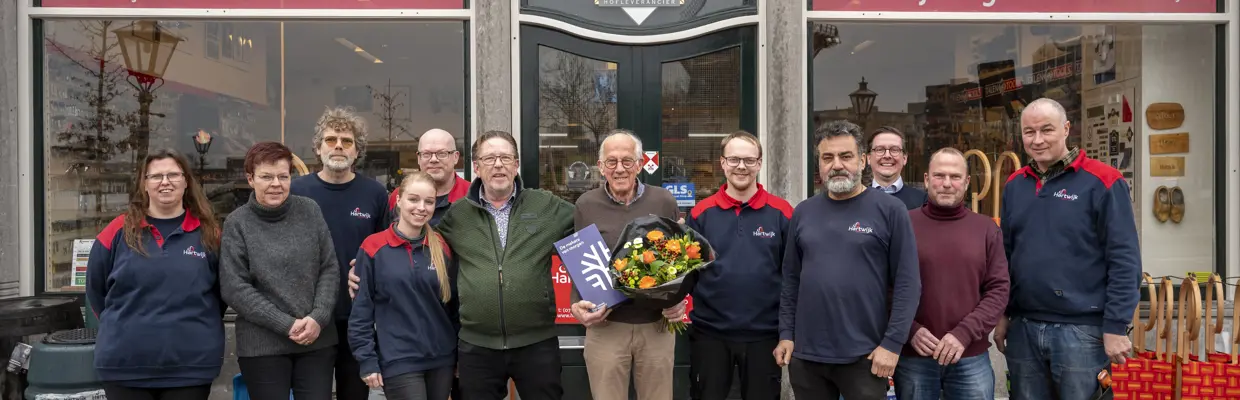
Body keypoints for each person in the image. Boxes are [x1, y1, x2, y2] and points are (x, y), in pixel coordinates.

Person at [351, 130, 574, 400]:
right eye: (489, 158)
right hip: (477, 347)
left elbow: (589, 230)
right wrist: (365, 270)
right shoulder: (457, 216)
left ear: (516, 164)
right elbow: (412, 245)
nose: (498, 164)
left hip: (536, 343)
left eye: (505, 157)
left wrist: (623, 270)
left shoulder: (546, 206)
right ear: (476, 167)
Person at [995, 97, 1140, 399]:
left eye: (1046, 130)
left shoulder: (1103, 182)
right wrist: (1003, 313)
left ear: (1066, 129)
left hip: (1082, 332)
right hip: (1023, 328)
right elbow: (1005, 255)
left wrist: (1115, 325)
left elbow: (1124, 260)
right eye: (1029, 132)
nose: (1037, 140)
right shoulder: (1014, 186)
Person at [775, 120, 921, 399]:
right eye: (827, 157)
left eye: (846, 156)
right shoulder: (804, 212)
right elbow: (790, 280)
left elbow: (908, 283)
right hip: (807, 357)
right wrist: (786, 334)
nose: (836, 164)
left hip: (865, 356)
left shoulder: (891, 210)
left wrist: (892, 344)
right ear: (819, 163)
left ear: (863, 160)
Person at [86, 149, 225, 400]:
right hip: (124, 364)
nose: (165, 182)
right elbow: (96, 291)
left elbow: (222, 295)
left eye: (173, 174)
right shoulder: (118, 230)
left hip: (190, 366)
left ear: (186, 182)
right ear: (144, 184)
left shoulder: (209, 234)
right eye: (156, 176)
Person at [569, 129, 685, 400]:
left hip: (656, 326)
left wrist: (679, 300)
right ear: (600, 167)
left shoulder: (663, 200)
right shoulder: (586, 205)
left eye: (627, 161)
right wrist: (577, 303)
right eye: (611, 161)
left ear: (640, 164)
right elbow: (580, 261)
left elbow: (678, 262)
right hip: (606, 327)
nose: (619, 169)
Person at [221, 142, 341, 400]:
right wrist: (285, 324)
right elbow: (235, 288)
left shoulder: (310, 210)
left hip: (316, 340)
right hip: (262, 345)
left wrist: (318, 317)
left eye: (283, 176)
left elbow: (329, 267)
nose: (276, 183)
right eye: (266, 176)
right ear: (251, 179)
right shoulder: (237, 223)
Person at [289, 107, 389, 400]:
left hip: (357, 319)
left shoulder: (375, 193)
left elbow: (385, 249)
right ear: (317, 148)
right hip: (309, 318)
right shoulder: (297, 192)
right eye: (330, 139)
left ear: (357, 151)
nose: (338, 146)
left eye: (347, 141)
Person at [895, 147, 1010, 400]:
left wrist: (963, 334)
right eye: (939, 175)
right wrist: (910, 330)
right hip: (915, 356)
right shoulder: (902, 224)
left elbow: (999, 289)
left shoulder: (986, 229)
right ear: (926, 179)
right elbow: (884, 286)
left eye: (955, 176)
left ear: (967, 182)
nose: (947, 183)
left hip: (970, 356)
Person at [686, 131, 793, 400]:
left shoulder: (782, 213)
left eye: (748, 160)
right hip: (710, 334)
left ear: (759, 163)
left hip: (764, 337)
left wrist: (787, 333)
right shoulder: (701, 213)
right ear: (722, 163)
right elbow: (687, 273)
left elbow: (792, 276)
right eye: (734, 159)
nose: (741, 166)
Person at [349, 171, 459, 400]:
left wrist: (460, 355)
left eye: (429, 202)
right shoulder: (373, 247)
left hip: (441, 359)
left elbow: (453, 307)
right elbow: (361, 311)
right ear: (398, 200)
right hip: (398, 359)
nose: (421, 207)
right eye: (413, 199)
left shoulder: (441, 246)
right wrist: (367, 359)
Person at [386, 128, 470, 226]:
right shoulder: (400, 195)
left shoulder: (473, 196)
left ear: (455, 157)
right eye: (426, 154)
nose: (434, 160)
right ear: (418, 158)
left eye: (442, 153)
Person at [867, 126, 927, 210]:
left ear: (905, 158)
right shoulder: (856, 201)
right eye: (879, 149)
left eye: (894, 150)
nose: (887, 155)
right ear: (868, 158)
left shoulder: (922, 201)